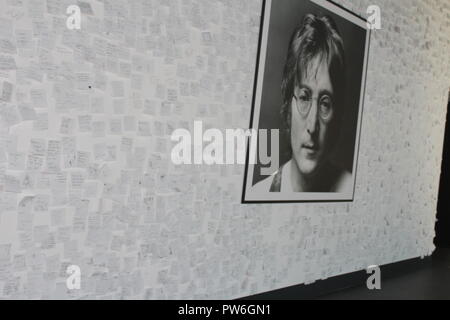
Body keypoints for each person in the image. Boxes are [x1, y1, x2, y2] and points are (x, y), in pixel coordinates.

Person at [254, 13, 352, 193]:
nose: (312, 126)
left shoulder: (351, 189)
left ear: (336, 114)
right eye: (304, 97)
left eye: (324, 103)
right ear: (288, 105)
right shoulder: (260, 194)